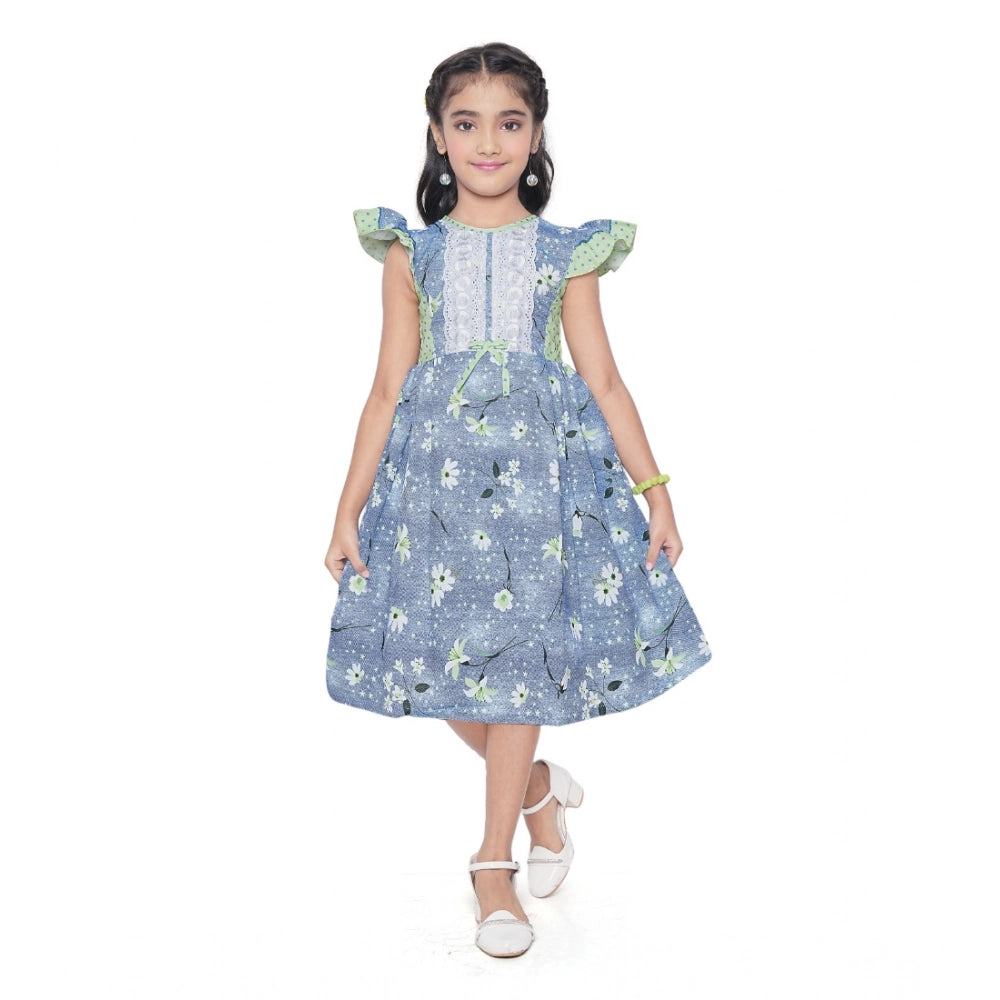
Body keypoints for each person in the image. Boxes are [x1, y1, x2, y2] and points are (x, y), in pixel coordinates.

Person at [323, 42, 711, 958]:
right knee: (430, 659)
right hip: (434, 491)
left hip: (543, 492)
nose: (488, 143)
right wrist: (346, 506)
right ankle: (537, 790)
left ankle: (491, 866)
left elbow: (604, 381)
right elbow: (386, 388)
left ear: (536, 134)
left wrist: (656, 491)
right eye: (467, 123)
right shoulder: (412, 254)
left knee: (524, 662)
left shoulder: (565, 254)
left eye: (509, 123)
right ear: (437, 134)